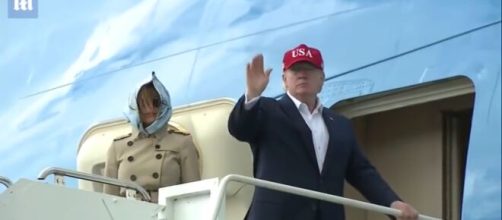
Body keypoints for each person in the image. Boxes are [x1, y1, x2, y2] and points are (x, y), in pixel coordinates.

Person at [228, 44, 419, 220]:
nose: (302, 74)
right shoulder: (266, 110)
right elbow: (240, 129)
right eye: (295, 69)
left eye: (309, 69)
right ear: (284, 80)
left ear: (322, 79)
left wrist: (392, 203)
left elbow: (362, 172)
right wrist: (252, 96)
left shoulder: (341, 125)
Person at [104, 72, 200, 203]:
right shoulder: (117, 147)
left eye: (156, 102)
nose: (150, 109)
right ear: (135, 107)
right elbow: (108, 200)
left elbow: (194, 197)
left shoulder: (182, 143)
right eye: (143, 104)